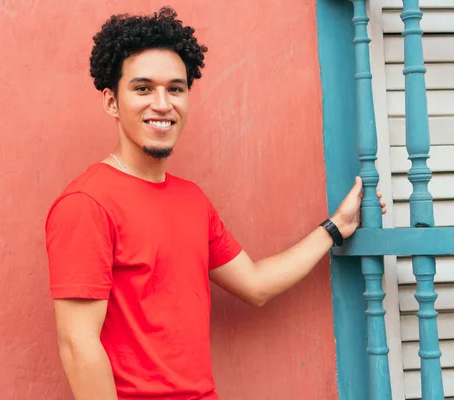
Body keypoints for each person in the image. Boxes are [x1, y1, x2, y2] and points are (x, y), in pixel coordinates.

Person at [44, 7, 386, 400]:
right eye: (142, 89)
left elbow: (255, 284)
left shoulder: (191, 199)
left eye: (175, 89)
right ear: (111, 102)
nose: (162, 103)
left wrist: (336, 228)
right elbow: (77, 345)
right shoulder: (86, 203)